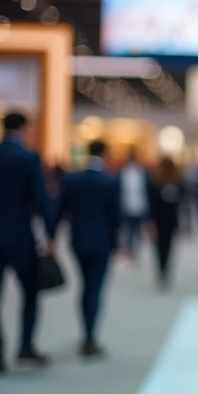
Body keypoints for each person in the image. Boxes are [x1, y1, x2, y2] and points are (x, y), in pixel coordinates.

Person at [0, 111, 58, 373]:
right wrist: (51, 234)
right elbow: (41, 199)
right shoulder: (28, 158)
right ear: (22, 129)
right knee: (30, 293)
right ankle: (25, 345)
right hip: (21, 237)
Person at [57, 139, 119, 357]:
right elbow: (115, 216)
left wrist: (52, 237)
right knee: (95, 289)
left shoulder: (73, 179)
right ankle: (90, 337)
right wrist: (117, 244)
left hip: (79, 241)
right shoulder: (109, 181)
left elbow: (61, 210)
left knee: (85, 288)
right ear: (104, 154)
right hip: (102, 243)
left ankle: (86, 333)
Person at [148, 157, 183, 289]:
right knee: (165, 246)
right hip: (167, 220)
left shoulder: (175, 181)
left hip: (163, 220)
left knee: (162, 247)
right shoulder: (158, 182)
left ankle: (163, 270)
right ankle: (164, 270)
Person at [118, 149, 149, 259]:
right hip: (127, 205)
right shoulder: (124, 171)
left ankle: (135, 250)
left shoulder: (141, 172)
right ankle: (130, 250)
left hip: (139, 205)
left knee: (136, 229)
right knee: (129, 229)